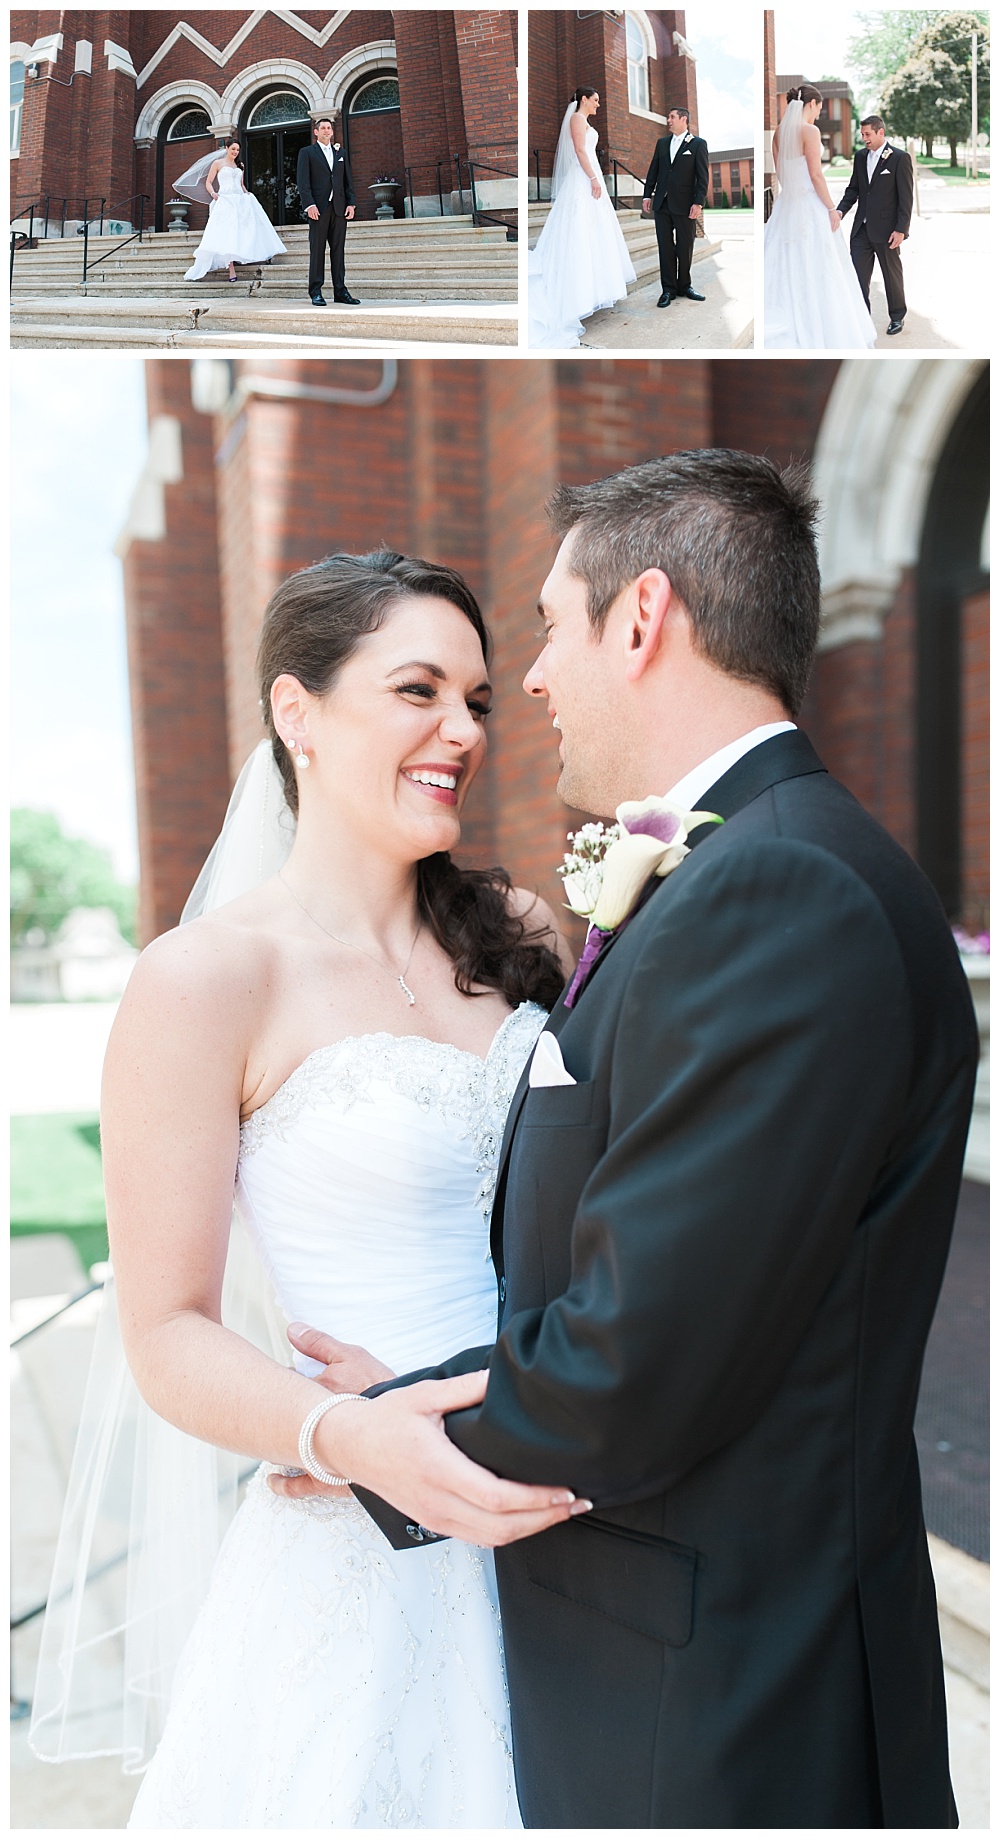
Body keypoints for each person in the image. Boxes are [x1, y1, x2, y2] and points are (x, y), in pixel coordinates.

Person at [281, 451, 977, 1829]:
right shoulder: (743, 867)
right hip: (680, 1665)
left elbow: (638, 1361)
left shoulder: (779, 890)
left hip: (725, 1704)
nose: (528, 681)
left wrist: (386, 1429)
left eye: (550, 626)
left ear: (643, 616)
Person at [29, 551, 579, 1827]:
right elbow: (165, 1330)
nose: (463, 731)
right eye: (418, 690)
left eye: (479, 700)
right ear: (297, 714)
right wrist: (336, 1433)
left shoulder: (523, 938)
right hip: (366, 1549)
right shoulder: (205, 980)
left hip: (564, 1506)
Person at [764, 86, 877, 349]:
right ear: (812, 103)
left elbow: (782, 175)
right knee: (821, 266)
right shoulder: (810, 131)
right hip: (809, 206)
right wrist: (830, 207)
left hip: (786, 206)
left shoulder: (779, 133)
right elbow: (816, 175)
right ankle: (821, 327)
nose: (819, 113)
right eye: (819, 107)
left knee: (785, 262)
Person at [528, 87, 636, 349]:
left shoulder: (585, 121)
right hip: (582, 180)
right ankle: (574, 296)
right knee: (578, 232)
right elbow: (579, 151)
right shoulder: (577, 119)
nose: (598, 105)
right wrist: (592, 179)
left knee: (594, 233)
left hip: (590, 177)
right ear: (583, 99)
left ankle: (592, 292)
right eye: (595, 100)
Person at [835, 113, 913, 336]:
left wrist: (901, 229)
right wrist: (841, 210)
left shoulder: (899, 158)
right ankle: (862, 319)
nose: (864, 139)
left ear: (881, 132)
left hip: (888, 230)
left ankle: (897, 317)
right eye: (862, 135)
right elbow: (854, 189)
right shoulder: (860, 157)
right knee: (857, 276)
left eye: (867, 134)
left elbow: (906, 198)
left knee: (892, 275)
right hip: (861, 230)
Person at [176, 138, 286, 284]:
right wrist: (213, 193)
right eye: (233, 149)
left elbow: (241, 184)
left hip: (240, 200)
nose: (235, 152)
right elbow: (208, 182)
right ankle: (231, 268)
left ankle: (252, 254)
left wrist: (247, 194)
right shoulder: (218, 163)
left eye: (238, 150)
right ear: (227, 148)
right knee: (228, 233)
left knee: (245, 230)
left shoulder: (240, 165)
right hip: (225, 200)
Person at [641, 107, 709, 308]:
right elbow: (654, 170)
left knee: (685, 246)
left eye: (671, 117)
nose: (668, 120)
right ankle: (668, 290)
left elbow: (702, 177)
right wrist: (647, 194)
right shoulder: (662, 144)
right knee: (665, 247)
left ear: (683, 119)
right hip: (662, 204)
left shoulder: (697, 144)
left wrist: (698, 202)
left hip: (685, 205)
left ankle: (684, 286)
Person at [296, 117, 360, 307]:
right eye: (322, 128)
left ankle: (340, 291)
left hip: (339, 208)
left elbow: (348, 179)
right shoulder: (307, 152)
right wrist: (309, 205)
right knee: (317, 250)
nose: (326, 131)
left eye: (328, 128)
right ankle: (315, 291)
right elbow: (303, 181)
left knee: (338, 251)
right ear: (316, 132)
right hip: (319, 208)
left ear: (332, 132)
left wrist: (351, 203)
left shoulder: (341, 153)